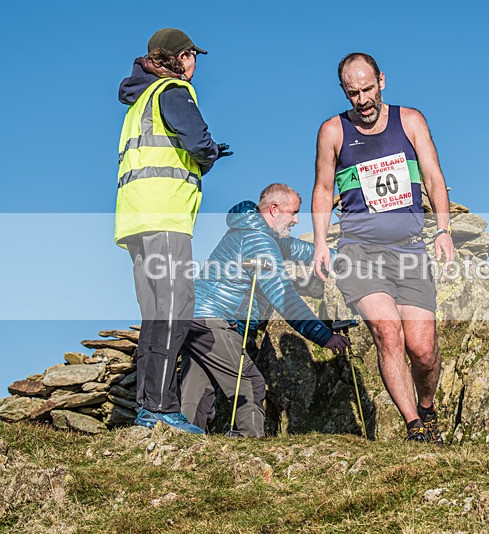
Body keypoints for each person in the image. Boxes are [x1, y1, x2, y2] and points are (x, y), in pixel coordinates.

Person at [311, 53, 455, 443]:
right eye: (353, 93)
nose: (362, 100)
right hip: (359, 251)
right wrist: (321, 242)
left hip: (409, 251)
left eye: (367, 89)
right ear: (344, 91)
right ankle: (414, 427)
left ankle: (427, 409)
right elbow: (323, 188)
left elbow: (433, 176)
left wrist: (443, 229)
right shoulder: (333, 131)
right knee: (387, 333)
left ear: (382, 81)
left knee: (422, 349)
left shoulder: (410, 121)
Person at [115, 28, 232, 433]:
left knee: (154, 313)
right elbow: (197, 143)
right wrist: (211, 154)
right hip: (165, 215)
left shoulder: (140, 99)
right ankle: (161, 409)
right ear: (182, 58)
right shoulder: (173, 90)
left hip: (134, 219)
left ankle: (148, 408)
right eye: (193, 56)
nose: (195, 63)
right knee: (177, 308)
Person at [179, 184, 350, 436]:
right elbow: (284, 298)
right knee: (250, 383)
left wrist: (343, 259)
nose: (296, 220)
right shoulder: (259, 241)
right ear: (274, 209)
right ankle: (250, 444)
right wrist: (324, 336)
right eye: (294, 212)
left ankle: (185, 441)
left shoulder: (253, 232)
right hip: (215, 322)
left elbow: (301, 250)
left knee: (197, 389)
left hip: (194, 318)